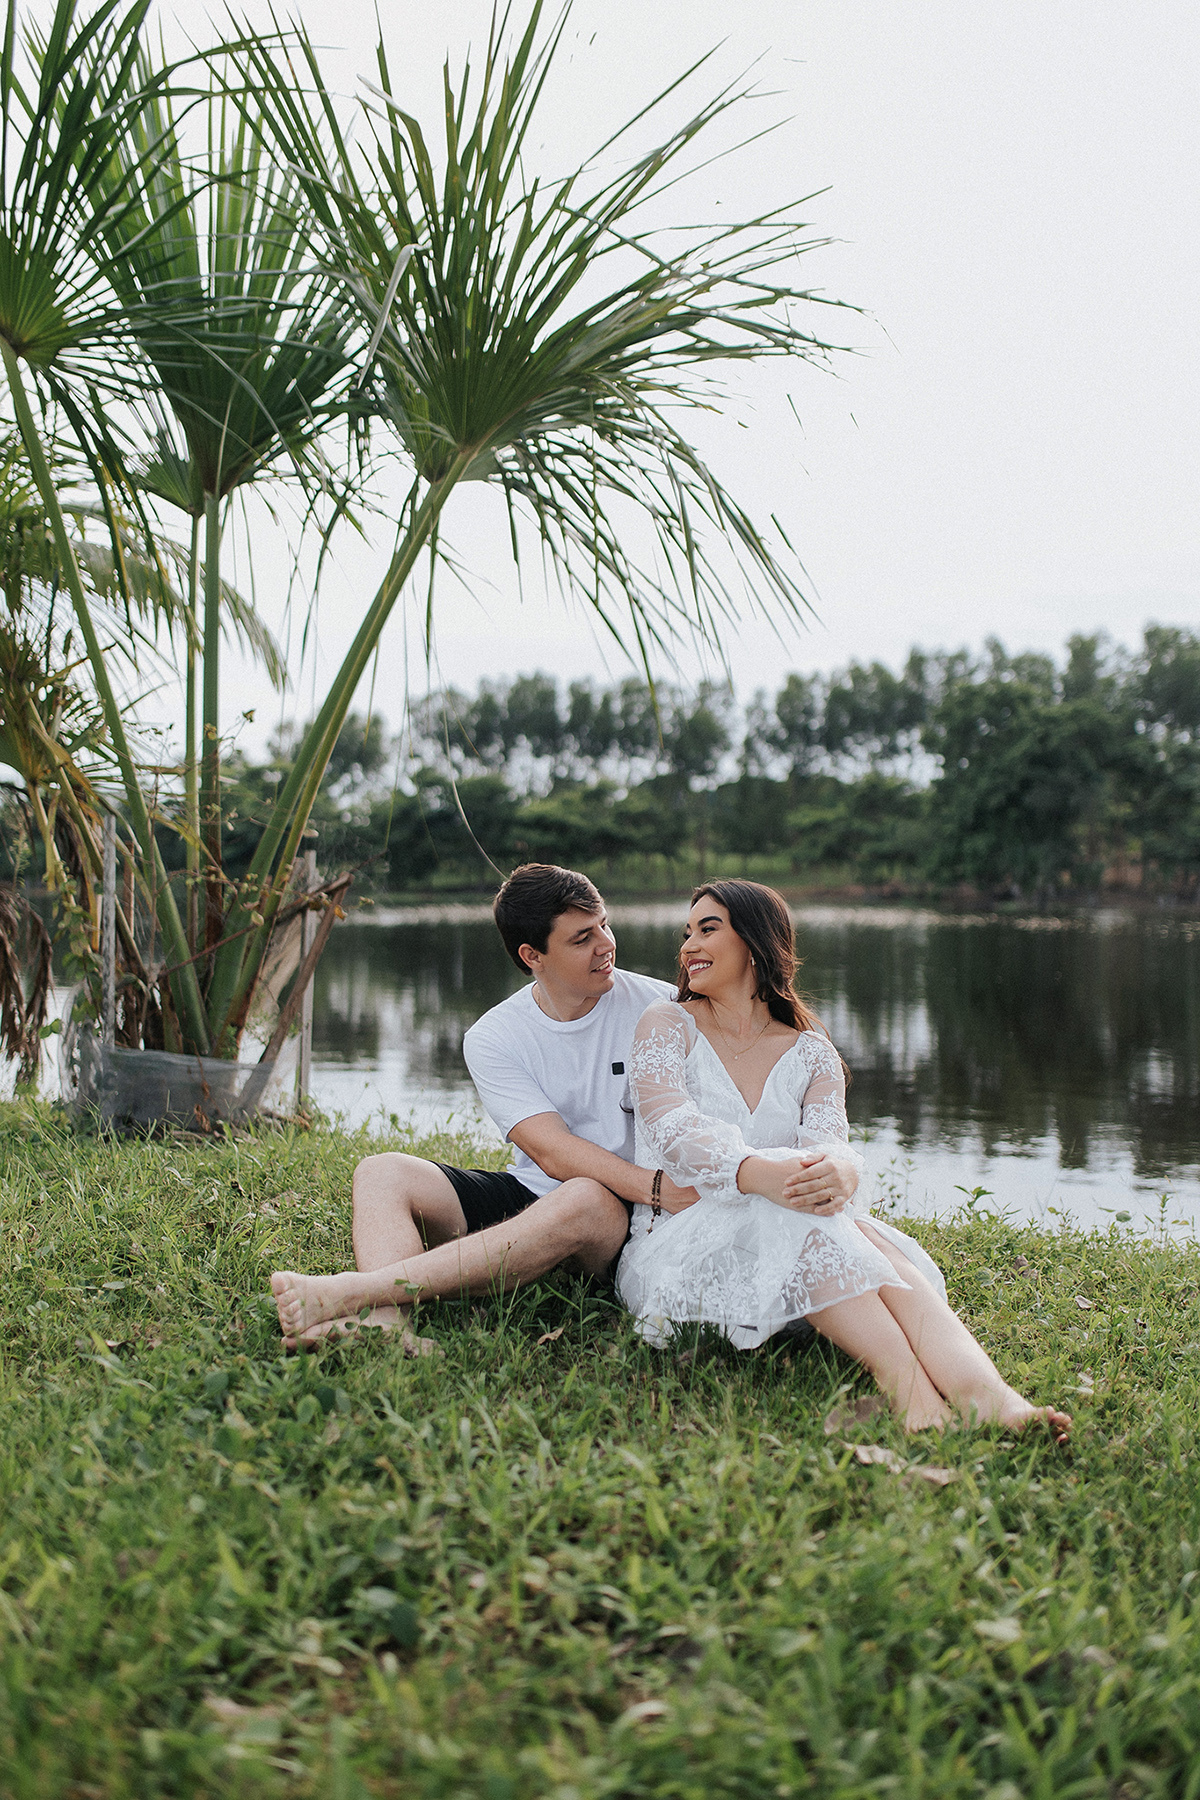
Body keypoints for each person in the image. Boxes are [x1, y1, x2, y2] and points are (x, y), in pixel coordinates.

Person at [270, 864, 862, 1350]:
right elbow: (548, 1152)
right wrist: (656, 1184)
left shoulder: (664, 1008)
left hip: (626, 1221)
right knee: (381, 1171)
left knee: (582, 1196)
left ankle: (358, 1292)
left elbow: (754, 1071)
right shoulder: (494, 1036)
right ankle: (386, 1322)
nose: (605, 946)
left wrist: (669, 1192)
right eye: (582, 939)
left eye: (603, 926)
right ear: (533, 955)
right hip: (559, 1192)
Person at [617, 879, 1071, 1439]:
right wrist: (763, 1177)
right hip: (681, 1252)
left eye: (707, 929)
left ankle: (990, 1397)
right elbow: (671, 1126)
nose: (687, 946)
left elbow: (832, 1142)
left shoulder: (811, 1049)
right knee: (794, 1205)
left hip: (799, 1247)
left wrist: (841, 1170)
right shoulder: (666, 1025)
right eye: (686, 933)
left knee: (845, 1223)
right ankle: (911, 1393)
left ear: (757, 941)